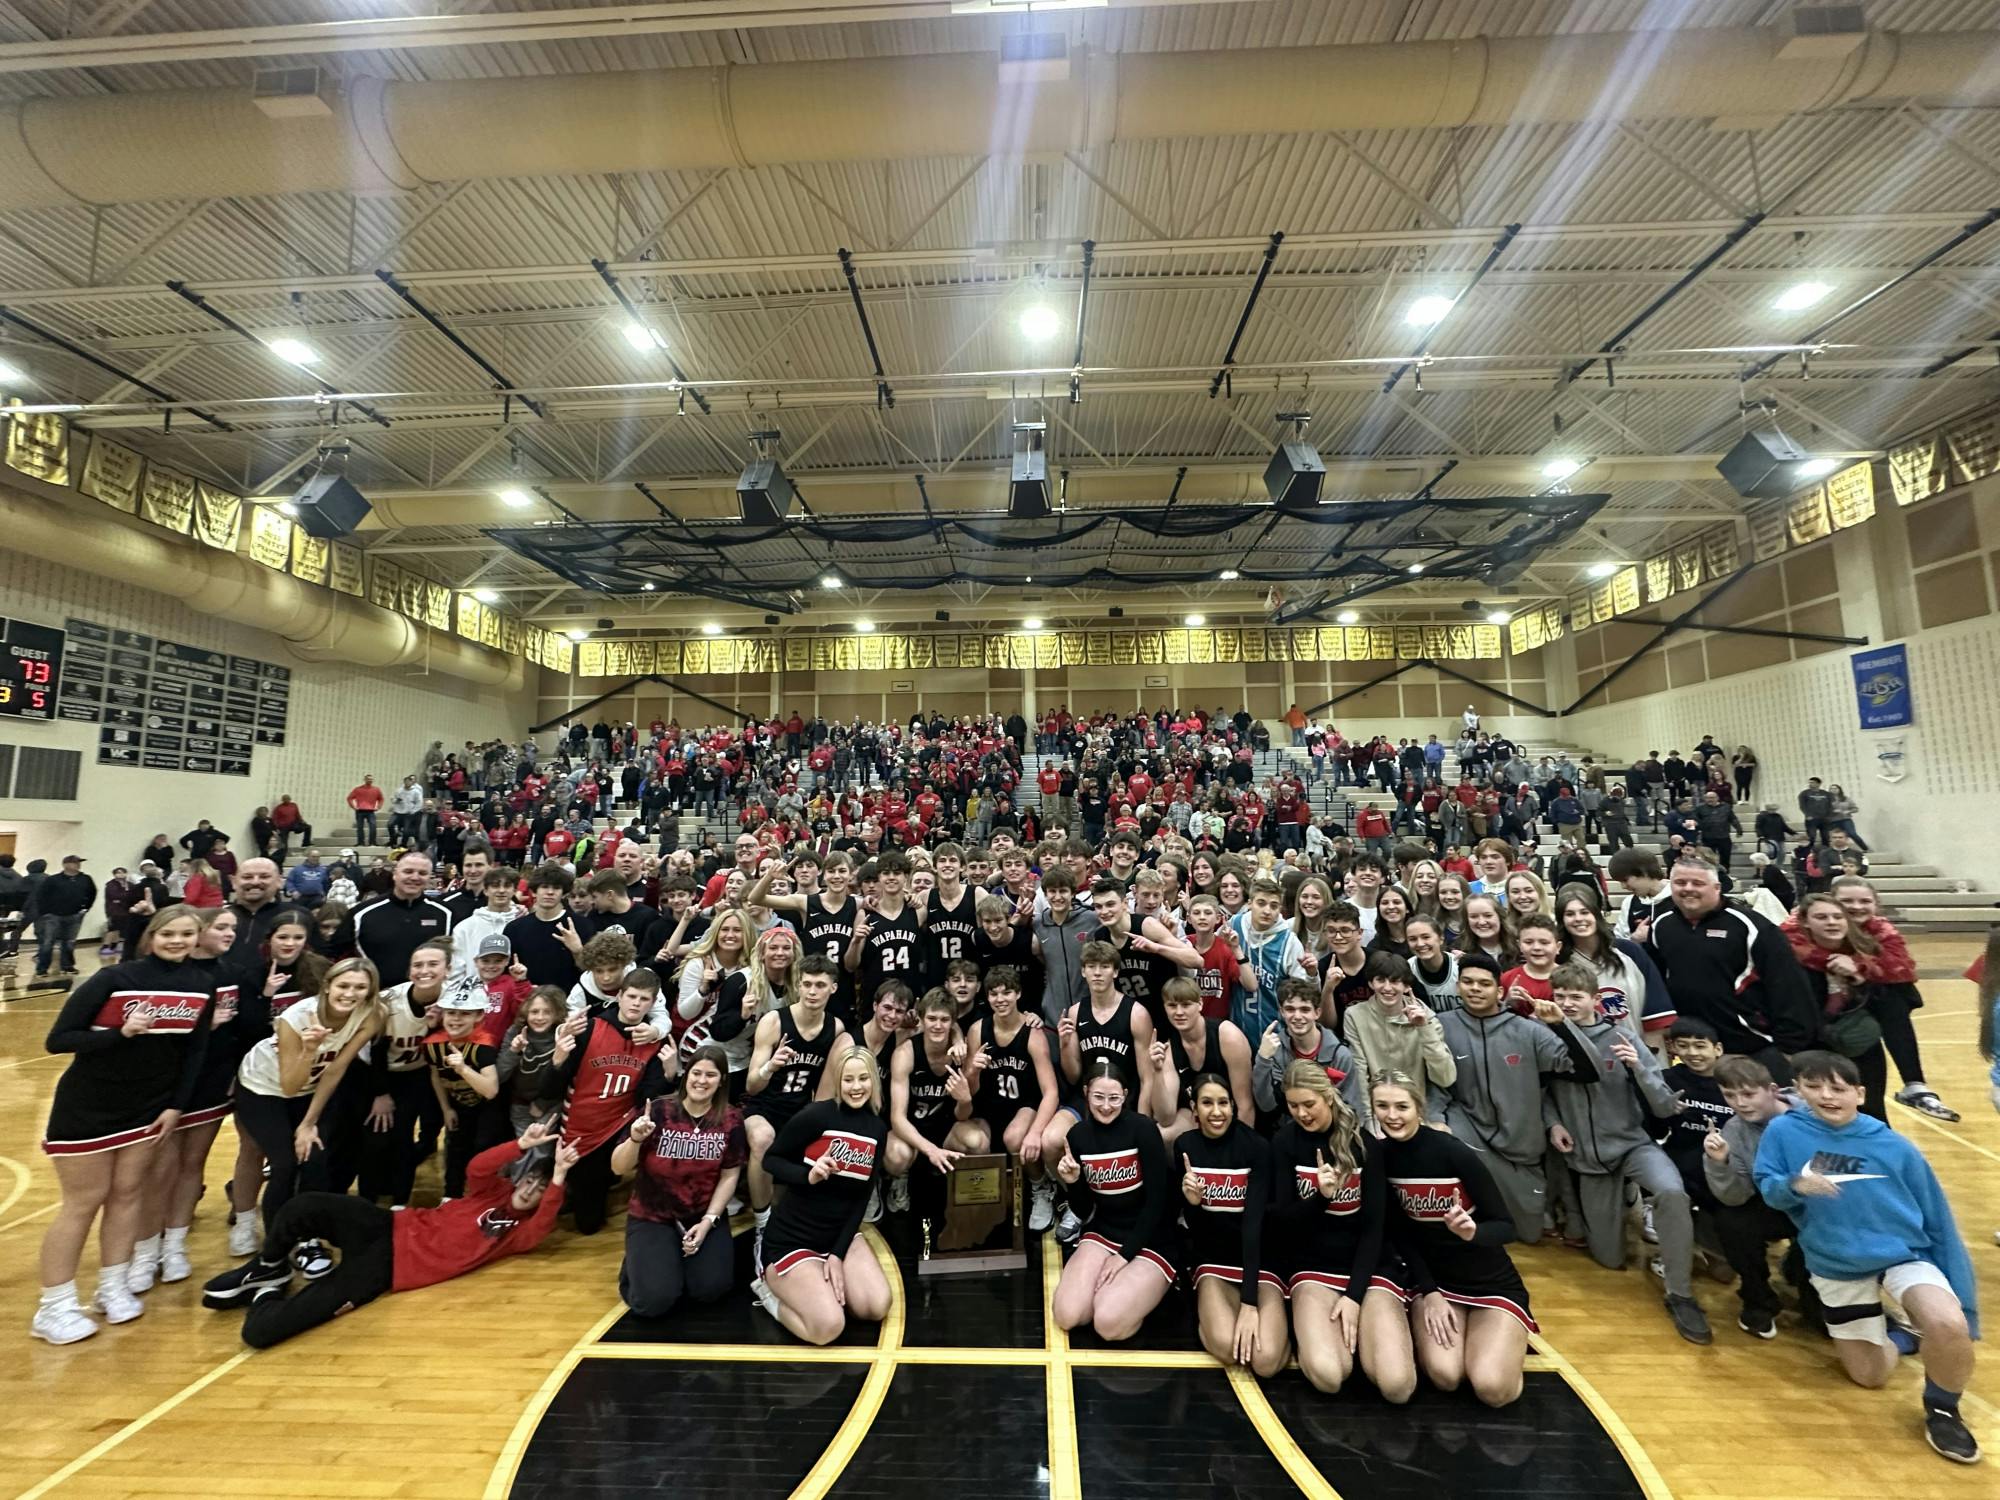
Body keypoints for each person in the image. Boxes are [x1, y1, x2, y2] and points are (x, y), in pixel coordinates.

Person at [1754, 1050, 1981, 1465]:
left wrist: (1960, 1291)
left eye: (1838, 1088)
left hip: (1901, 1255)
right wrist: (1795, 1186)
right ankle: (1902, 1336)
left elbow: (1937, 1218)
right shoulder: (1783, 1133)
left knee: (1948, 1324)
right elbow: (1767, 1186)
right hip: (1834, 1262)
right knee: (1869, 1377)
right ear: (1798, 1090)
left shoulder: (1895, 1147)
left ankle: (1944, 1410)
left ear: (1859, 1093)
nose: (1826, 1095)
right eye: (1814, 1086)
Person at [213, 1120, 578, 1348]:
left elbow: (543, 1225)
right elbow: (476, 1167)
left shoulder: (518, 1233)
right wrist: (522, 1146)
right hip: (386, 1223)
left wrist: (558, 1176)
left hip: (388, 1269)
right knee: (302, 1205)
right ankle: (271, 1265)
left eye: (540, 1192)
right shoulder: (492, 1191)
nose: (531, 1191)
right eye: (531, 1180)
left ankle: (265, 1294)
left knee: (260, 1334)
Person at [33, 906, 216, 1344]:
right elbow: (58, 1040)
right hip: (90, 1105)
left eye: (188, 934)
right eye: (169, 933)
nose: (178, 941)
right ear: (151, 935)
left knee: (130, 1193)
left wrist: (177, 1106)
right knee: (84, 1200)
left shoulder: (202, 984)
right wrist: (120, 1034)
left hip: (150, 1108)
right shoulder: (115, 979)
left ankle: (111, 1286)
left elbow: (194, 1054)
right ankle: (53, 1306)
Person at [1542, 963, 1711, 1343]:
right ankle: (1625, 1199)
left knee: (1670, 1192)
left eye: (1576, 996)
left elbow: (1665, 1106)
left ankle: (1680, 1291)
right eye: (1561, 996)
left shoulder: (1622, 1037)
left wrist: (1639, 1069)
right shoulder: (1548, 1035)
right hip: (1588, 1157)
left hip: (1631, 1143)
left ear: (1593, 999)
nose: (1568, 1004)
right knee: (1609, 1259)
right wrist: (1553, 1122)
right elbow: (1543, 1092)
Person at [1374, 1070, 1532, 1407]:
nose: (1392, 1115)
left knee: (1491, 1388)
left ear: (1418, 1107)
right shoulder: (1379, 1157)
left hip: (1488, 1281)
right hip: (1435, 1284)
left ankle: (1505, 1350)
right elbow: (1400, 1235)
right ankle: (1475, 1341)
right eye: (1382, 1106)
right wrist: (1429, 1292)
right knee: (1446, 1376)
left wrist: (1473, 1231)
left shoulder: (1452, 1152)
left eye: (1401, 1106)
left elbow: (1505, 1226)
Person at [1268, 1060, 1414, 1399]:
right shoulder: (1284, 1142)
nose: (1302, 1113)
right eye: (1293, 1106)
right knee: (1329, 1376)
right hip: (1313, 1268)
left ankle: (1370, 1337)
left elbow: (1375, 1227)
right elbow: (1281, 1223)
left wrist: (1354, 1296)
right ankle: (1311, 1333)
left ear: (1328, 1096)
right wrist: (1321, 1198)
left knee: (1397, 1387)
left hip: (1369, 1270)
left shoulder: (1364, 1145)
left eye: (1309, 1104)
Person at [753, 1044, 894, 1345]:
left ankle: (819, 1283)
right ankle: (768, 1292)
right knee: (827, 1328)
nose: (856, 1087)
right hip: (794, 1237)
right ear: (838, 1081)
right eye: (848, 1079)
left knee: (876, 1306)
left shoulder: (877, 1129)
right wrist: (808, 1175)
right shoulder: (816, 1116)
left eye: (863, 1079)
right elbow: (771, 1160)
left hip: (838, 1235)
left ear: (874, 1081)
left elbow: (862, 1198)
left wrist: (837, 1255)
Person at [1647, 853, 1817, 1080]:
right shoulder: (1662, 925)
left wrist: (1789, 1047)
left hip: (1752, 1048)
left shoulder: (1751, 925)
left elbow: (1788, 985)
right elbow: (1659, 982)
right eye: (1680, 883)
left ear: (1716, 887)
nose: (1688, 889)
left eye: (1698, 883)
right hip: (1694, 1050)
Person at [1050, 1059, 1182, 1342]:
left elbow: (1158, 1203)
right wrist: (1073, 1183)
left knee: (1108, 1323)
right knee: (1067, 1315)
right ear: (1086, 1093)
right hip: (1104, 1231)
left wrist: (1125, 1256)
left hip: (1151, 1237)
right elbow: (1084, 1210)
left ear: (1125, 1095)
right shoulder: (1077, 1136)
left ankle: (1153, 1286)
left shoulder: (1143, 1129)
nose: (1106, 1106)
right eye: (1098, 1097)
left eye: (1114, 1098)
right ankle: (1117, 1291)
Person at [612, 1044, 745, 1318]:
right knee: (654, 1302)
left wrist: (708, 1222)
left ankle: (670, 1261)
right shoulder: (658, 1111)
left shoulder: (731, 1119)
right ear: (686, 1075)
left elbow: (730, 1175)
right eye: (696, 1073)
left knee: (710, 1290)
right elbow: (618, 1167)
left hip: (700, 1214)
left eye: (711, 1075)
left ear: (721, 1082)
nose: (702, 1081)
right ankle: (637, 1264)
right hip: (652, 1215)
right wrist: (636, 1139)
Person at [1701, 1055, 1820, 1339]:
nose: (1740, 1103)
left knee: (1823, 1323)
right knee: (1732, 1221)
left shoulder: (1813, 1116)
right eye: (1730, 1095)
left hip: (1821, 1208)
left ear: (1773, 1090)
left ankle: (1806, 1275)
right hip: (1776, 1204)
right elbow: (1735, 1197)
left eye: (1749, 1094)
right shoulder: (1734, 1131)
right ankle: (1758, 1299)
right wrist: (1720, 1164)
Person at [1178, 1072, 1288, 1378]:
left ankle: (1283, 1331)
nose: (1216, 1111)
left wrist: (1250, 1302)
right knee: (1228, 1349)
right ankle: (1210, 1319)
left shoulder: (1257, 1147)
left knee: (1265, 1363)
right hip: (1214, 1261)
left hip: (1260, 1260)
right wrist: (1193, 1203)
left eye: (1223, 1102)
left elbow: (1253, 1226)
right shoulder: (1185, 1147)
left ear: (1233, 1106)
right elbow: (1198, 1229)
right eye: (1207, 1103)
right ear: (1194, 1108)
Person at [966, 966, 1061, 1231]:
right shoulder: (977, 1030)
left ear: (1018, 994)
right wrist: (973, 1069)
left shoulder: (1033, 1034)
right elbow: (968, 1091)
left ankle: (1040, 1186)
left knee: (1015, 1138)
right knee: (973, 1140)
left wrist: (1036, 1133)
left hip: (1024, 1105)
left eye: (1007, 992)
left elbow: (1051, 1092)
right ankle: (976, 1205)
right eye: (994, 994)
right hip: (988, 1107)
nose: (1001, 999)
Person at [32, 853, 97, 983]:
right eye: (74, 862)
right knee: (48, 942)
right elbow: (41, 896)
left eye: (79, 863)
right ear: (66, 865)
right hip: (54, 916)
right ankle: (42, 969)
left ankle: (67, 966)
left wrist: (85, 909)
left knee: (69, 942)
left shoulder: (86, 879)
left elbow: (92, 893)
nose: (78, 865)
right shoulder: (53, 880)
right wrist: (45, 913)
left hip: (74, 916)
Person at [347, 775, 385, 846]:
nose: (370, 781)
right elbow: (349, 798)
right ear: (364, 779)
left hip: (370, 811)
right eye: (368, 779)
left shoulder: (376, 789)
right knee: (359, 827)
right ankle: (361, 842)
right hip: (360, 810)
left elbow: (381, 799)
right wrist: (354, 807)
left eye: (371, 779)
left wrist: (378, 807)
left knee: (373, 826)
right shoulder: (358, 789)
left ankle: (372, 842)